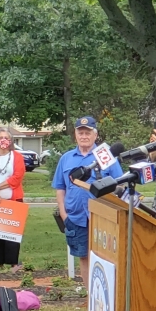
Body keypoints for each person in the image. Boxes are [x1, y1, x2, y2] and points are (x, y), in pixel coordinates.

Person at [51, 116, 123, 285]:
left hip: (103, 217)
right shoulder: (66, 158)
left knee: (106, 256)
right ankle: (90, 295)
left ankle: (107, 295)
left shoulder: (105, 156)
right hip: (75, 218)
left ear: (95, 135)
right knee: (83, 257)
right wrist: (63, 214)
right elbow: (60, 188)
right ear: (75, 134)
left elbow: (120, 184)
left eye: (87, 133)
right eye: (80, 132)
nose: (84, 136)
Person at [0, 128, 27, 271]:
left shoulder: (17, 157)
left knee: (11, 233)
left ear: (10, 141)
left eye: (6, 138)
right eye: (1, 137)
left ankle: (12, 263)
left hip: (13, 200)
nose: (3, 140)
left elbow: (17, 176)